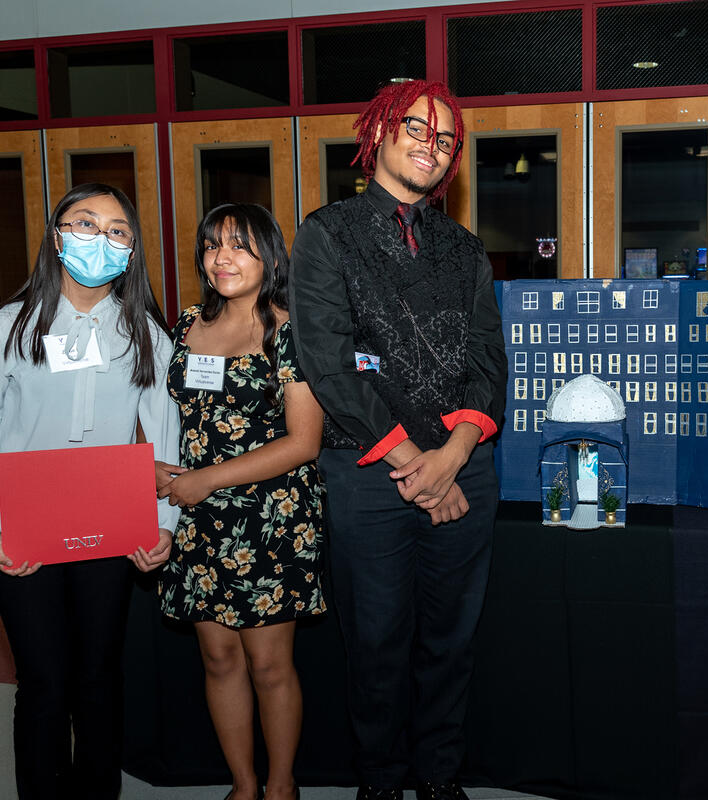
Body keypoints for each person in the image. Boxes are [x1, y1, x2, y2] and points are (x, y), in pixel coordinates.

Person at [289, 79, 506, 800]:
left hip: (463, 470)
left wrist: (451, 459)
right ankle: (379, 782)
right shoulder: (327, 232)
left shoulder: (465, 247)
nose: (430, 146)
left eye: (445, 139)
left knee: (452, 645)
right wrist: (416, 463)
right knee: (376, 648)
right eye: (417, 128)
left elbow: (487, 363)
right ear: (379, 131)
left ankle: (440, 778)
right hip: (368, 475)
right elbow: (327, 357)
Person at [0, 182, 178, 800]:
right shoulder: (8, 328)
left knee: (99, 677)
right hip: (22, 526)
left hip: (109, 529)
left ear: (132, 251)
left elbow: (164, 445)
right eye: (84, 223)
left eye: (117, 230)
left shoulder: (149, 335)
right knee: (44, 680)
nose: (99, 239)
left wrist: (162, 524)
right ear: (56, 235)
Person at [156, 203, 326, 800]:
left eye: (240, 246)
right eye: (211, 246)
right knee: (219, 660)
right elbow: (156, 413)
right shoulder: (184, 327)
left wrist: (208, 479)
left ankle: (281, 787)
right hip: (199, 521)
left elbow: (304, 442)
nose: (221, 258)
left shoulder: (290, 329)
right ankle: (244, 786)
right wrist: (153, 463)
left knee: (269, 666)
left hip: (270, 519)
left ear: (270, 257)